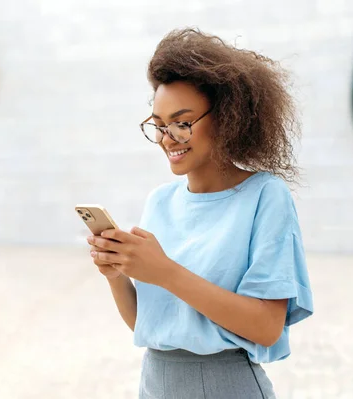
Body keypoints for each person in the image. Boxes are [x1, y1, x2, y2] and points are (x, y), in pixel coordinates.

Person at [86, 27, 313, 399]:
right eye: (158, 126)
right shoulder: (159, 201)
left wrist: (165, 272)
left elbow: (267, 326)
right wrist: (116, 275)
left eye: (182, 122)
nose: (167, 138)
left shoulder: (264, 196)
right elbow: (149, 326)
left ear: (227, 116)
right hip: (154, 382)